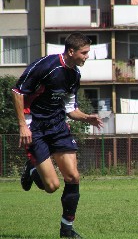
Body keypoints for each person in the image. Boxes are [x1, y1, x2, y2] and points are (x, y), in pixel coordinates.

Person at [12, 32, 103, 238]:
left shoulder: (75, 75)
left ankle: (66, 229)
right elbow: (17, 91)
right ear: (71, 51)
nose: (87, 56)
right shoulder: (46, 66)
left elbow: (71, 109)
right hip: (35, 127)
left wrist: (87, 117)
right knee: (52, 186)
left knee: (73, 176)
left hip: (58, 126)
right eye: (84, 52)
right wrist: (22, 125)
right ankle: (33, 170)